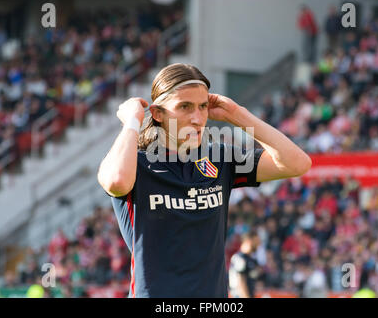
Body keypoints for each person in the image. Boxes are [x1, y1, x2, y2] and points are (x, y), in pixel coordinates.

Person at [97, 63, 312, 297]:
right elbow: (117, 181)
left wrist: (238, 115)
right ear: (158, 113)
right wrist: (132, 121)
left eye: (202, 107)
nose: (198, 118)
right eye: (185, 107)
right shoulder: (135, 163)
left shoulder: (220, 158)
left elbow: (297, 163)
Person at [229, 231, 262, 298]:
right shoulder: (239, 258)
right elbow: (240, 280)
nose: (258, 244)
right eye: (256, 241)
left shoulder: (251, 259)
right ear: (249, 241)